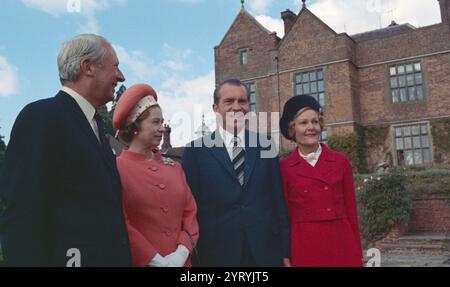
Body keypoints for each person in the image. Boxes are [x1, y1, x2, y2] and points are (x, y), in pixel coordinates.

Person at [0, 34, 131, 267]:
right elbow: (22, 216)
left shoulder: (97, 128)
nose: (121, 77)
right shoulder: (41, 117)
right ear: (88, 67)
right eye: (116, 67)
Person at [181, 79, 290, 267]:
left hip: (265, 252)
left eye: (242, 101)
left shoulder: (265, 145)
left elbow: (277, 202)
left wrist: (285, 251)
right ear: (215, 107)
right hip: (216, 254)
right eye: (229, 101)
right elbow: (190, 210)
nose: (236, 107)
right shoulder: (195, 151)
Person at [112, 83, 199, 267]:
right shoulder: (115, 169)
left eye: (162, 121)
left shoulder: (175, 168)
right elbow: (120, 221)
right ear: (135, 126)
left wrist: (181, 254)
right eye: (155, 122)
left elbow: (190, 214)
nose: (162, 128)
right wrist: (156, 261)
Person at [279, 95, 363, 267]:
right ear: (292, 129)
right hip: (304, 245)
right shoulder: (284, 168)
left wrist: (357, 252)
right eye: (303, 123)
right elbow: (283, 218)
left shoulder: (340, 161)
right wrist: (285, 255)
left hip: (341, 242)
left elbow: (351, 211)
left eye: (315, 122)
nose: (311, 127)